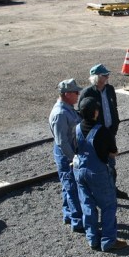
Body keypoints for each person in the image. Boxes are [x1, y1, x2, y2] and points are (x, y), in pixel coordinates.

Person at [73, 97, 128, 252]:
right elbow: (113, 152)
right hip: (97, 172)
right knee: (108, 205)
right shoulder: (102, 131)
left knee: (87, 205)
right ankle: (108, 240)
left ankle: (92, 239)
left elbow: (75, 149)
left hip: (80, 171)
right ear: (95, 112)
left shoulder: (76, 129)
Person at [78, 63, 128, 199]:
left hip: (110, 133)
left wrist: (115, 125)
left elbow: (114, 107)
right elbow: (82, 114)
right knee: (98, 164)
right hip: (95, 136)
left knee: (111, 163)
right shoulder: (87, 93)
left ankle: (112, 189)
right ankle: (98, 192)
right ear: (97, 77)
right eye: (105, 75)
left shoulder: (110, 89)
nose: (108, 77)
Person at [48, 78, 84, 232]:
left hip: (68, 152)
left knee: (68, 186)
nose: (78, 95)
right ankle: (78, 221)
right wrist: (73, 158)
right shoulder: (60, 113)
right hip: (67, 155)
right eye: (76, 92)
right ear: (67, 94)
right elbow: (62, 141)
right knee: (72, 187)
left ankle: (68, 215)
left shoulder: (67, 109)